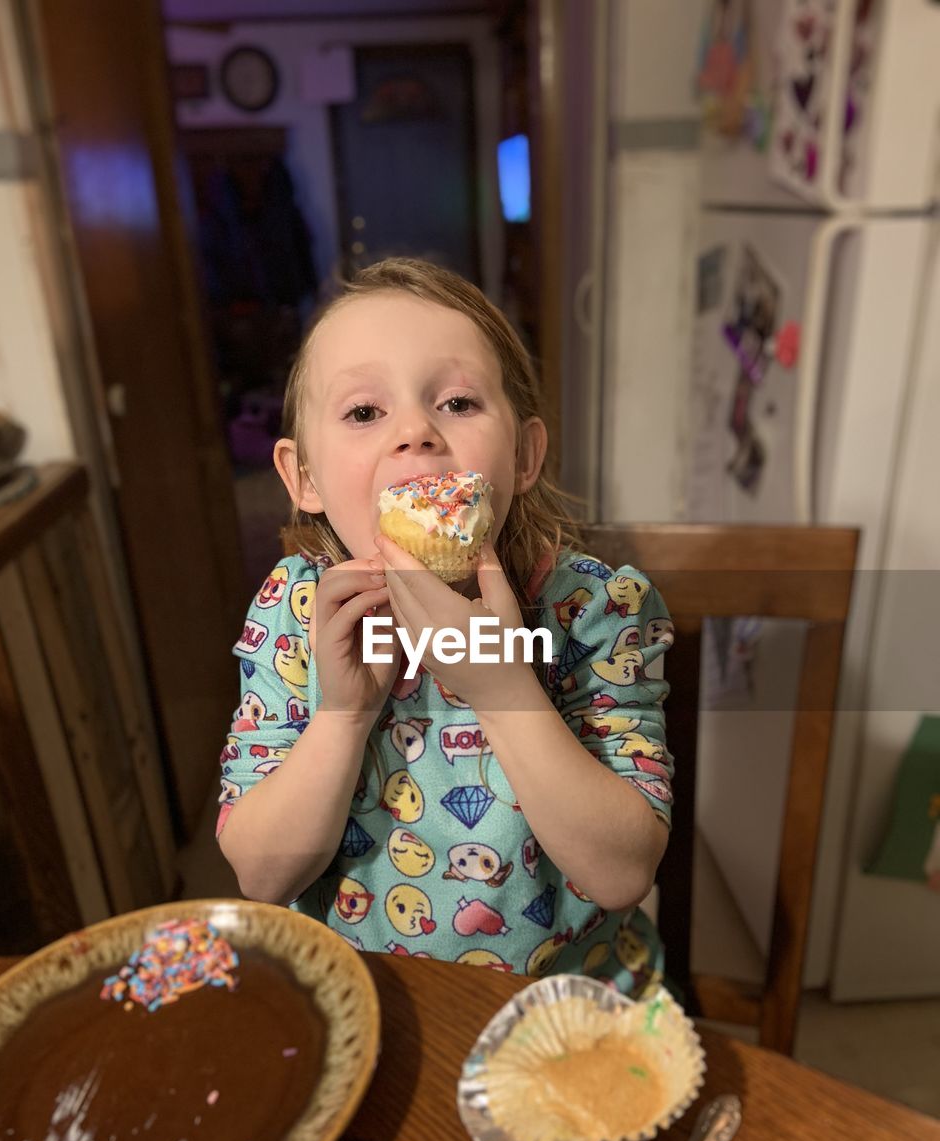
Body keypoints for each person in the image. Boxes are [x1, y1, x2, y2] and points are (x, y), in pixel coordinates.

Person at [217, 257, 675, 994]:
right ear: (303, 477)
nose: (415, 433)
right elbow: (262, 875)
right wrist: (343, 716)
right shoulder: (293, 612)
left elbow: (622, 873)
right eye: (365, 413)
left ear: (524, 455)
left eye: (458, 402)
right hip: (369, 1003)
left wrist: (501, 686)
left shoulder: (596, 610)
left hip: (565, 1005)